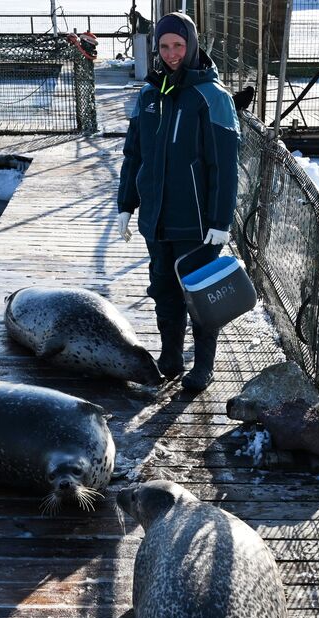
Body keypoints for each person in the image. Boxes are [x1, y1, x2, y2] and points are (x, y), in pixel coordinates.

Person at [116, 12, 240, 391]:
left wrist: (221, 220)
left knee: (200, 295)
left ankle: (203, 365)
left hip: (197, 223)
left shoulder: (213, 98)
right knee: (163, 290)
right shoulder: (148, 96)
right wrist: (126, 205)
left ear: (192, 45)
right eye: (164, 46)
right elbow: (134, 155)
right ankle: (170, 356)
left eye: (179, 45)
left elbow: (224, 167)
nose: (171, 54)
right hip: (156, 220)